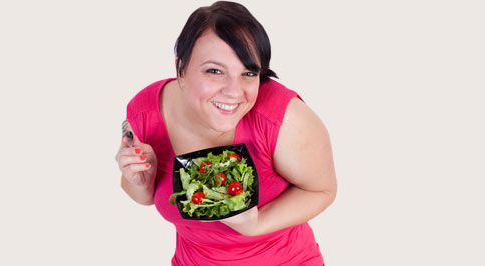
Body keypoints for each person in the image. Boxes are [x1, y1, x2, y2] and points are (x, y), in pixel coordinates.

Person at [116, 1, 337, 265]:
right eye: (214, 71)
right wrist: (141, 181)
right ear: (181, 70)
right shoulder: (145, 113)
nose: (234, 92)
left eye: (248, 72)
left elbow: (322, 190)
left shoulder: (285, 118)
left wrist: (256, 223)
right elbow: (146, 198)